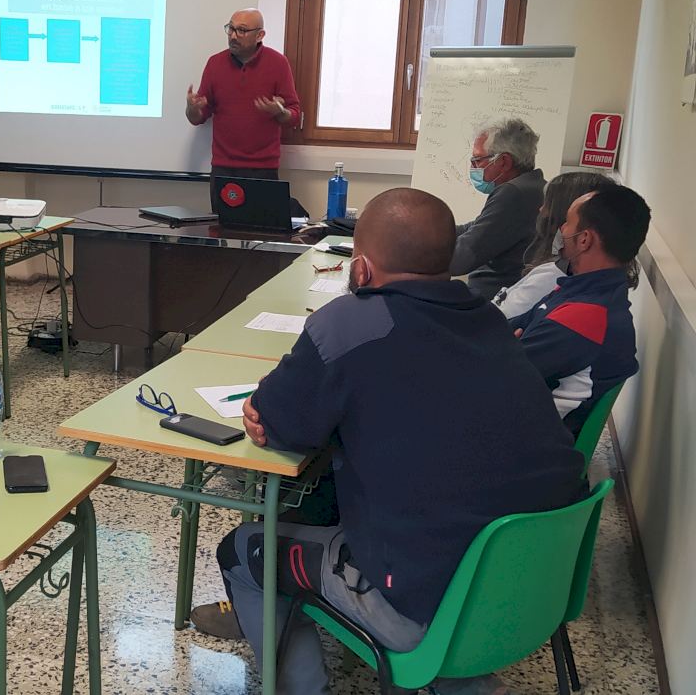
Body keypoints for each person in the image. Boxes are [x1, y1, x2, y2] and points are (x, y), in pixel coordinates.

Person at [190, 189, 585, 695]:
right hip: (534, 588)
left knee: (244, 549)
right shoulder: (489, 320)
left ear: (360, 267)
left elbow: (280, 425)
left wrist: (269, 406)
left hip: (423, 609)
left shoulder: (349, 322)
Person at [511, 183, 650, 433]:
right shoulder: (583, 291)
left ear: (584, 239)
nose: (562, 229)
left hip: (528, 441)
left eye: (567, 222)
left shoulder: (585, 317)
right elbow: (508, 331)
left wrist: (502, 348)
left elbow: (497, 373)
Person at [186, 9, 301, 210]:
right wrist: (192, 109)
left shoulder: (278, 63)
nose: (233, 36)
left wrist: (280, 112)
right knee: (222, 227)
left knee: (263, 227)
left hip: (263, 170)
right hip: (223, 169)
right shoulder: (215, 63)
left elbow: (294, 115)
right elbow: (198, 117)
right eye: (231, 28)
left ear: (260, 35)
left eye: (242, 30)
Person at [493, 171, 614, 317]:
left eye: (548, 204)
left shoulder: (553, 278)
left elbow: (498, 319)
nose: (541, 209)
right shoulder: (560, 270)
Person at [451, 118, 546, 300]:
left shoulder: (513, 194)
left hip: (493, 301)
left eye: (477, 160)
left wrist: (416, 251)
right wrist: (429, 231)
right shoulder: (532, 186)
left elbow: (460, 260)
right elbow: (475, 227)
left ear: (504, 161)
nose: (472, 168)